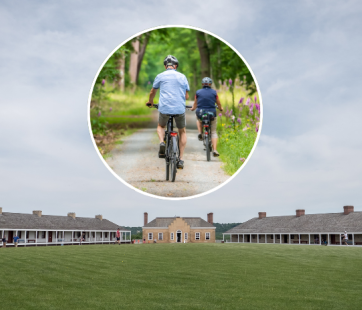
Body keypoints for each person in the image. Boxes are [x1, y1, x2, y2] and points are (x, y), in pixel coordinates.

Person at [146, 55, 190, 169]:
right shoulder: (182, 76)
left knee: (161, 126)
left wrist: (150, 102)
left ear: (166, 66)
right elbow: (186, 95)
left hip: (164, 108)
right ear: (176, 66)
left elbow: (152, 92)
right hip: (179, 109)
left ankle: (162, 142)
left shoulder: (160, 76)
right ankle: (181, 159)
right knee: (182, 131)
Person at [190, 77, 223, 157]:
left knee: (198, 118)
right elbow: (218, 103)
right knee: (213, 132)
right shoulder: (214, 92)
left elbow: (195, 104)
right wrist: (221, 108)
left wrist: (193, 108)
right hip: (212, 113)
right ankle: (215, 150)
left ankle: (200, 133)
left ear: (202, 84)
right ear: (210, 84)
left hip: (201, 113)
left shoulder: (198, 92)